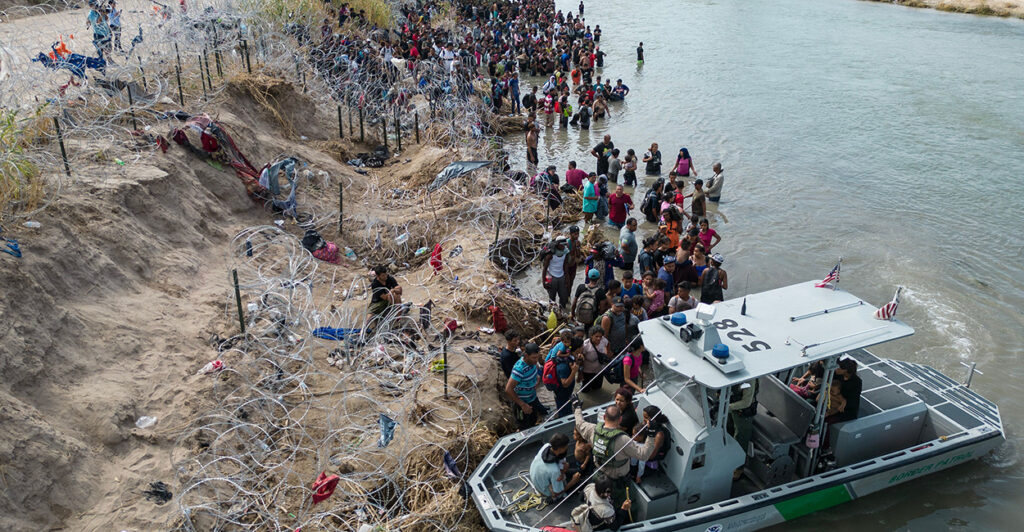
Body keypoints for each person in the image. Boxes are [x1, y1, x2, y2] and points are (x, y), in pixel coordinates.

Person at [574, 402, 657, 507]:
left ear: (604, 417)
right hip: (617, 484)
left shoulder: (593, 430)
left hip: (599, 477)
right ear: (620, 419)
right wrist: (651, 435)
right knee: (620, 504)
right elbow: (643, 455)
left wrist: (577, 407)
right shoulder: (623, 440)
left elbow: (579, 423)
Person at [506, 342, 548, 429]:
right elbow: (508, 389)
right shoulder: (519, 369)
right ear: (526, 356)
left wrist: (537, 379)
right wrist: (523, 405)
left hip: (533, 398)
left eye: (537, 357)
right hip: (522, 403)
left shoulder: (533, 363)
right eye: (533, 358)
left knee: (533, 420)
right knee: (524, 427)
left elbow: (535, 370)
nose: (536, 360)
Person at [530, 433, 581, 503]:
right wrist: (573, 481)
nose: (567, 447)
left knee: (575, 471)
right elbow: (557, 493)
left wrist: (563, 471)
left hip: (537, 479)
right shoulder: (555, 471)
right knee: (580, 482)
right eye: (566, 446)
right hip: (546, 490)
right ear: (560, 449)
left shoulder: (546, 446)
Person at [633, 406, 671, 483]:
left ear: (654, 419)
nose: (643, 420)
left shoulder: (659, 435)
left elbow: (651, 456)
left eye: (646, 418)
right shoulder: (647, 426)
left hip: (650, 458)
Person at [550, 337, 582, 417]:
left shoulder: (570, 357)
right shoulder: (563, 366)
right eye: (582, 347)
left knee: (568, 407)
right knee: (564, 413)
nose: (583, 348)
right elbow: (565, 384)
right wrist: (574, 372)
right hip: (562, 393)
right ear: (577, 348)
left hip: (567, 393)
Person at [543, 237, 574, 308]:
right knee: (552, 299)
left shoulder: (565, 253)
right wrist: (544, 282)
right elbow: (545, 269)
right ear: (557, 244)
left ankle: (562, 312)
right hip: (552, 277)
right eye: (562, 245)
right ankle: (552, 312)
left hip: (562, 276)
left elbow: (565, 267)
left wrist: (567, 279)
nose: (563, 246)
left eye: (565, 245)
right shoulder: (550, 255)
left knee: (563, 298)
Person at [831, 358, 863, 422]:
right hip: (833, 401)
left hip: (846, 410)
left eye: (839, 368)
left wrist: (842, 402)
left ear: (845, 370)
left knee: (827, 420)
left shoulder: (856, 382)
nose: (836, 369)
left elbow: (853, 401)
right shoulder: (838, 375)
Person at [580, 326, 608, 393]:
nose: (599, 338)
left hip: (599, 370)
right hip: (587, 372)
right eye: (596, 336)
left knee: (597, 388)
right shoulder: (585, 345)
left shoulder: (604, 340)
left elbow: (607, 347)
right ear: (591, 336)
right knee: (585, 390)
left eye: (600, 336)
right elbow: (581, 358)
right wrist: (580, 373)